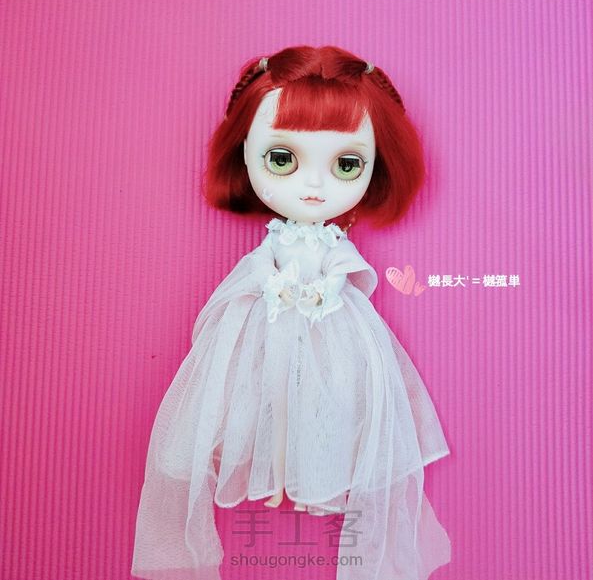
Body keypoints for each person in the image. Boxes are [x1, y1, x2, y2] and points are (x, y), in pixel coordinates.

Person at [131, 45, 451, 580]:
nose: (313, 186)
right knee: (268, 396)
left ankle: (314, 479)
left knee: (331, 401)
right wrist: (273, 288)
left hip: (333, 327)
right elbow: (253, 274)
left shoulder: (332, 242)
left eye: (346, 164)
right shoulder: (276, 240)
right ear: (245, 153)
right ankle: (278, 475)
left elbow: (355, 274)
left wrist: (326, 290)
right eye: (282, 159)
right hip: (270, 322)